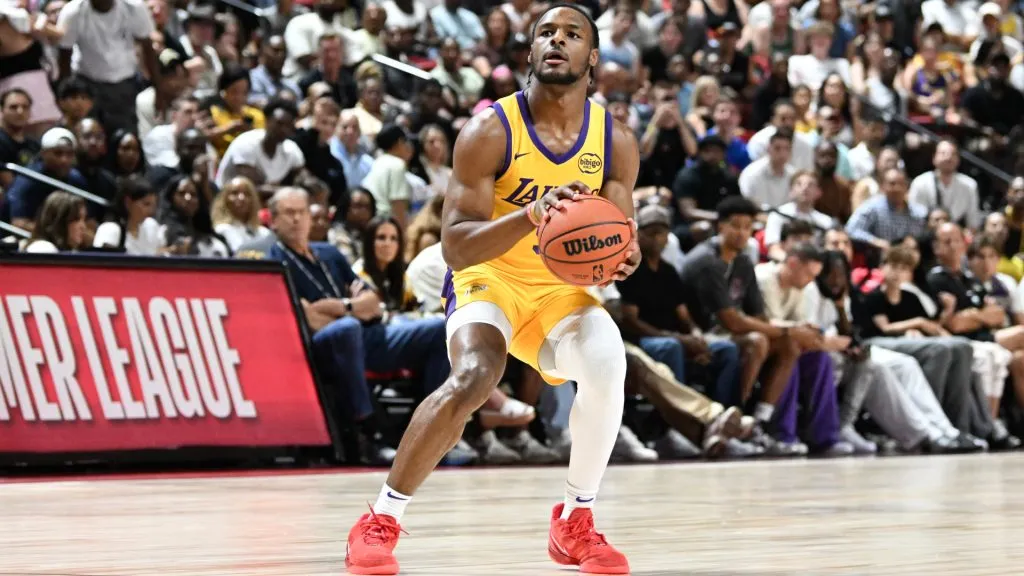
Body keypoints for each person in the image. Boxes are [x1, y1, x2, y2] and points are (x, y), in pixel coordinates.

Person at [343, 5, 642, 575]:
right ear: (530, 53)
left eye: (572, 34)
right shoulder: (489, 130)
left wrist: (625, 257)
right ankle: (379, 520)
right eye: (545, 33)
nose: (557, 41)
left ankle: (575, 521)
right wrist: (529, 216)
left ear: (593, 56)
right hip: (490, 277)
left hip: (560, 290)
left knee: (608, 363)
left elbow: (619, 240)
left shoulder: (616, 139)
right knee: (475, 375)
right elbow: (455, 247)